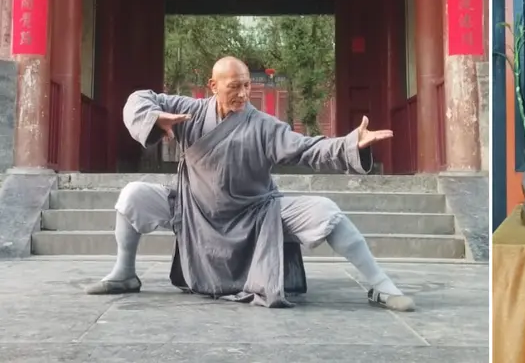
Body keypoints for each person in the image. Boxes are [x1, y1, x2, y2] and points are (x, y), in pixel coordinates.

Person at [84, 57, 415, 312]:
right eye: (234, 87)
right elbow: (138, 99)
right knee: (133, 195)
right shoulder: (189, 112)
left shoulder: (264, 126)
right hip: (194, 212)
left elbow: (308, 149)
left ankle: (381, 284)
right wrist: (155, 117)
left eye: (246, 86)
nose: (243, 94)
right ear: (213, 85)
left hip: (256, 216)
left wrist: (349, 144)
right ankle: (124, 273)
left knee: (326, 211)